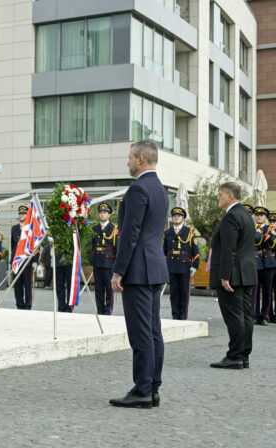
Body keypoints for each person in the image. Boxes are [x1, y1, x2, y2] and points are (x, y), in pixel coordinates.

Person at [109, 140, 168, 409]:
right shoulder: (161, 190)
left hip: (138, 271)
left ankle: (142, 390)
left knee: (141, 332)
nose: (128, 162)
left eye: (130, 157)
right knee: (154, 331)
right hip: (155, 268)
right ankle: (152, 387)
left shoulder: (138, 189)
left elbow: (129, 235)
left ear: (141, 159)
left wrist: (118, 271)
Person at [209, 182, 257, 369]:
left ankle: (235, 356)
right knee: (245, 315)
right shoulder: (245, 215)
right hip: (246, 273)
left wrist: (225, 276)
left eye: (220, 194)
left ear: (230, 196)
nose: (218, 197)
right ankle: (243, 355)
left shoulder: (231, 217)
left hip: (233, 275)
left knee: (235, 316)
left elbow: (229, 249)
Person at [162, 207, 200, 320]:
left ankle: (183, 317)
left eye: (178, 216)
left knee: (184, 293)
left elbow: (195, 251)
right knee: (174, 293)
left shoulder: (189, 232)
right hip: (172, 266)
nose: (176, 217)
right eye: (174, 216)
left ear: (183, 218)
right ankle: (175, 316)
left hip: (185, 266)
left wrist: (195, 265)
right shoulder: (167, 232)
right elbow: (164, 251)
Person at [92, 202, 118, 315]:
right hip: (97, 262)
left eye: (105, 213)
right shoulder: (95, 228)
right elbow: (92, 245)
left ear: (109, 215)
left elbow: (116, 247)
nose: (102, 215)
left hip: (109, 262)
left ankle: (108, 311)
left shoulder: (113, 229)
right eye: (101, 212)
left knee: (109, 288)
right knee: (98, 289)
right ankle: (100, 310)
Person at [252, 206, 276, 325]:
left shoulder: (270, 229)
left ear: (265, 217)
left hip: (268, 263)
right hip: (256, 262)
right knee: (255, 291)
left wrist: (259, 235)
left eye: (261, 215)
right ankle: (255, 315)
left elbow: (271, 242)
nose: (259, 217)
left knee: (267, 292)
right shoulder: (253, 229)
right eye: (257, 215)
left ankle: (265, 316)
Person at [11, 205, 34, 310]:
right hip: (17, 261)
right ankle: (19, 304)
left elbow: (35, 245)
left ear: (27, 215)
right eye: (20, 213)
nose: (21, 215)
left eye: (23, 213)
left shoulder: (30, 228)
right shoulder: (14, 228)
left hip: (27, 261)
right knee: (17, 285)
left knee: (27, 284)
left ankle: (28, 305)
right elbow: (13, 246)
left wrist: (35, 260)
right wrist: (12, 260)